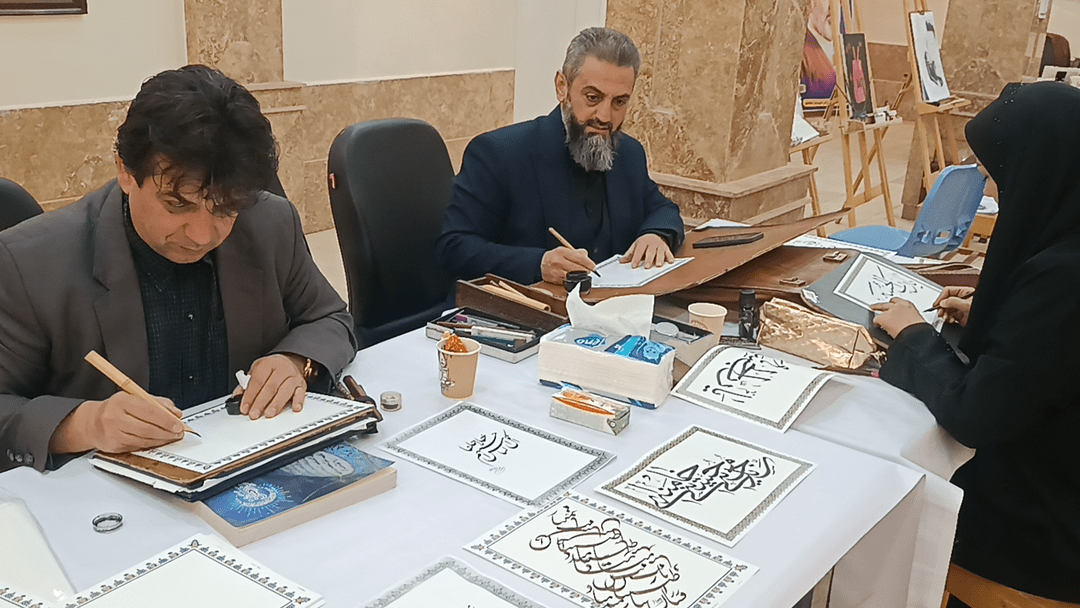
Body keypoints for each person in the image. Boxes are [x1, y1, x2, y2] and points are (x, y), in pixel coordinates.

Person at [0, 65, 357, 473]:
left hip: (243, 467)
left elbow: (330, 317)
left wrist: (294, 361)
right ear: (125, 172)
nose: (202, 235)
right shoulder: (31, 262)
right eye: (177, 205)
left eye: (225, 208)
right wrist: (82, 424)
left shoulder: (269, 222)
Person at [870, 82, 1080, 603]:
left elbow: (976, 413)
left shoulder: (1063, 281)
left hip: (1034, 546)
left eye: (998, 177)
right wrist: (996, 314)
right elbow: (1043, 359)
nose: (993, 192)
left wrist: (913, 334)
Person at [436, 27, 685, 285]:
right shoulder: (499, 153)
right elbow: (453, 246)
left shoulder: (629, 153)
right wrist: (538, 264)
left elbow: (664, 210)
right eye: (593, 98)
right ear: (562, 87)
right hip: (527, 303)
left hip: (615, 304)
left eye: (619, 102)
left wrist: (656, 235)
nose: (605, 116)